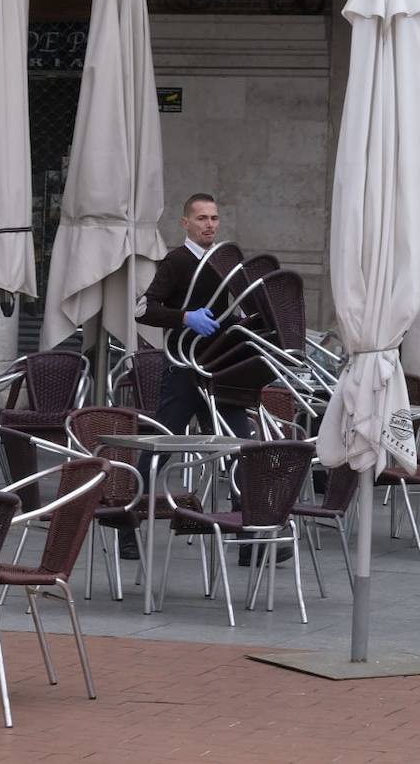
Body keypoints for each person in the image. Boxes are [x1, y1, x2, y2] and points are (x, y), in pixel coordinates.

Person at [123, 192, 285, 566]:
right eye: (201, 219)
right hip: (182, 370)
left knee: (241, 450)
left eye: (213, 218)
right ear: (185, 223)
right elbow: (144, 309)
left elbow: (231, 312)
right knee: (157, 450)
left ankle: (249, 543)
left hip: (219, 372)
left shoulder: (224, 262)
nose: (209, 224)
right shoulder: (177, 261)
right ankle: (127, 525)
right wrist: (184, 318)